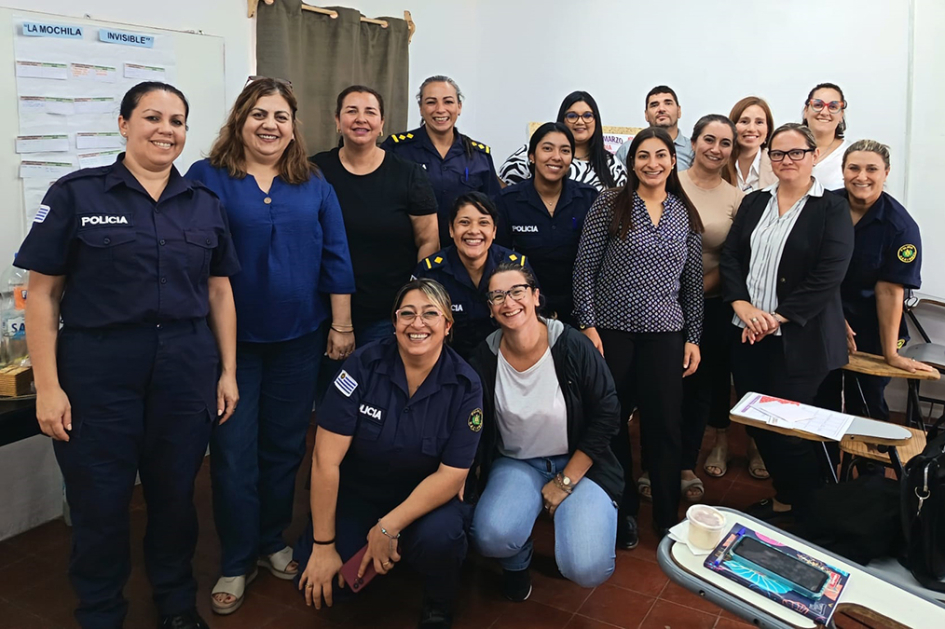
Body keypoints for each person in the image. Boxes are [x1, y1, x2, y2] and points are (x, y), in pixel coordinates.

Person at [16, 82, 240, 629]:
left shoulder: (205, 204)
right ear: (123, 124)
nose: (166, 130)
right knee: (99, 504)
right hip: (98, 367)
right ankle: (100, 611)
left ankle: (175, 604)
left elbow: (219, 292)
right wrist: (48, 385)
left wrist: (228, 371)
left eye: (178, 121)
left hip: (185, 366)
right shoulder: (76, 194)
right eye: (153, 117)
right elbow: (41, 293)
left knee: (174, 498)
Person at [185, 77, 356, 615]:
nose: (270, 125)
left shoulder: (312, 182)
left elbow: (336, 256)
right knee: (234, 453)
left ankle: (272, 540)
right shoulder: (207, 179)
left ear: (293, 126)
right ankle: (237, 558)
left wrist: (341, 325)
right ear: (240, 119)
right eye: (259, 114)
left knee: (284, 449)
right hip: (230, 349)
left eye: (281, 116)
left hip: (299, 341)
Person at [294, 279, 483, 629]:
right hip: (361, 495)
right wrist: (324, 545)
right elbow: (325, 460)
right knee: (334, 586)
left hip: (424, 503)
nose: (417, 323)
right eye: (406, 314)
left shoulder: (465, 385)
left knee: (439, 539)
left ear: (447, 325)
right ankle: (379, 553)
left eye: (430, 314)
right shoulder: (362, 365)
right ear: (394, 323)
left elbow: (452, 475)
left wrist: (387, 527)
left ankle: (437, 598)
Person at [573, 127, 704, 539]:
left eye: (660, 155)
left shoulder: (684, 211)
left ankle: (667, 516)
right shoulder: (610, 203)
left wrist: (694, 337)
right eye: (643, 155)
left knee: (664, 424)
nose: (652, 163)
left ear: (672, 160)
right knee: (611, 423)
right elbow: (584, 270)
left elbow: (693, 284)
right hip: (612, 332)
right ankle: (621, 508)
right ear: (631, 162)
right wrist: (588, 326)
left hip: (667, 333)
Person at [720, 123, 854, 523]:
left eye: (796, 152)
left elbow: (829, 274)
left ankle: (807, 509)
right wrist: (741, 304)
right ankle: (786, 498)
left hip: (800, 340)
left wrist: (776, 318)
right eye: (777, 153)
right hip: (747, 334)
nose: (786, 160)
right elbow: (731, 258)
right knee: (756, 422)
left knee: (787, 430)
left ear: (814, 155)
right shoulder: (754, 201)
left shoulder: (832, 207)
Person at [469, 264, 624, 601]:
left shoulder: (571, 345)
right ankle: (517, 562)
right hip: (517, 462)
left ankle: (570, 537)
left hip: (580, 463)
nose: (508, 302)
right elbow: (474, 424)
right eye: (497, 296)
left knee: (587, 567)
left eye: (517, 291)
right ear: (490, 309)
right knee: (491, 535)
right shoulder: (484, 357)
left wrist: (565, 481)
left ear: (536, 296)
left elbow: (608, 413)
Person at [312, 85, 439, 355]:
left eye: (370, 112)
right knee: (330, 394)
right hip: (322, 311)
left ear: (381, 124)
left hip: (388, 313)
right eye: (351, 111)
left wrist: (413, 302)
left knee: (381, 393)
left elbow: (428, 240)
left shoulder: (408, 174)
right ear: (337, 121)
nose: (361, 119)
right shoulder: (315, 171)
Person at [814, 140, 935, 420]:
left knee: (867, 410)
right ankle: (824, 465)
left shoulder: (900, 227)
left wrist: (891, 354)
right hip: (822, 320)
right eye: (853, 168)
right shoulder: (823, 207)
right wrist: (833, 316)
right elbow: (810, 269)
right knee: (820, 405)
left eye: (872, 169)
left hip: (874, 331)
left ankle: (874, 464)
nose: (862, 176)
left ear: (886, 172)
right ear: (843, 171)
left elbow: (890, 293)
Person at [670, 115, 744, 496]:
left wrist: (692, 297)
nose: (716, 149)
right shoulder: (670, 182)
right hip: (659, 306)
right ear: (694, 142)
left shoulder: (736, 197)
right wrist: (672, 297)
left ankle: (684, 465)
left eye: (725, 143)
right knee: (661, 387)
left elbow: (732, 258)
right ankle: (655, 464)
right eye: (709, 140)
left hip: (710, 306)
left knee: (699, 388)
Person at [495, 122, 599, 325]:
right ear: (532, 156)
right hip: (524, 310)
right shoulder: (507, 201)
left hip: (578, 312)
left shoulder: (589, 198)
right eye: (547, 148)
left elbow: (596, 262)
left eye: (565, 150)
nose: (556, 157)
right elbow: (500, 261)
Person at [382, 75, 501, 246]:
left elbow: (493, 211)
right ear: (421, 108)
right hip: (407, 250)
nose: (440, 109)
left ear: (459, 107)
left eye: (448, 102)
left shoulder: (479, 155)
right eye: (431, 102)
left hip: (464, 254)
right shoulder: (397, 149)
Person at [413, 192, 530, 360]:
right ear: (451, 230)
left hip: (505, 361)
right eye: (464, 223)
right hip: (447, 363)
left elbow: (532, 321)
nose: (474, 231)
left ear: (494, 231)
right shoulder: (430, 272)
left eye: (483, 223)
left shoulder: (517, 268)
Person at [498, 91, 627, 190]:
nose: (580, 122)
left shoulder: (611, 164)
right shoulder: (530, 152)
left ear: (596, 120)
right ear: (562, 119)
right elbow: (501, 189)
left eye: (587, 115)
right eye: (572, 116)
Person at [616, 86, 694, 171]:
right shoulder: (627, 149)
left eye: (668, 103)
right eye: (654, 105)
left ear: (679, 111)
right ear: (646, 115)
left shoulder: (693, 150)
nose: (661, 109)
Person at [724, 96, 777, 193]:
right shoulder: (718, 163)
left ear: (768, 130)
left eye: (759, 122)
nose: (751, 129)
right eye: (744, 122)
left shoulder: (777, 166)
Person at [802, 82, 849, 190]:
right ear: (806, 111)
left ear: (841, 115)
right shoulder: (786, 149)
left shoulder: (852, 154)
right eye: (818, 105)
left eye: (833, 107)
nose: (824, 112)